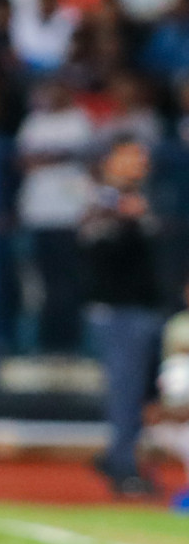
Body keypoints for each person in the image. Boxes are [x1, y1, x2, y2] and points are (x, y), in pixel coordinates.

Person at [81, 140, 162, 497]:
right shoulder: (102, 202)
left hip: (148, 307)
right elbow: (93, 251)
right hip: (119, 310)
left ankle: (121, 458)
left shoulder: (150, 199)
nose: (138, 162)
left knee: (145, 396)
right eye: (130, 155)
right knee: (125, 393)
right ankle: (122, 466)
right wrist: (124, 220)